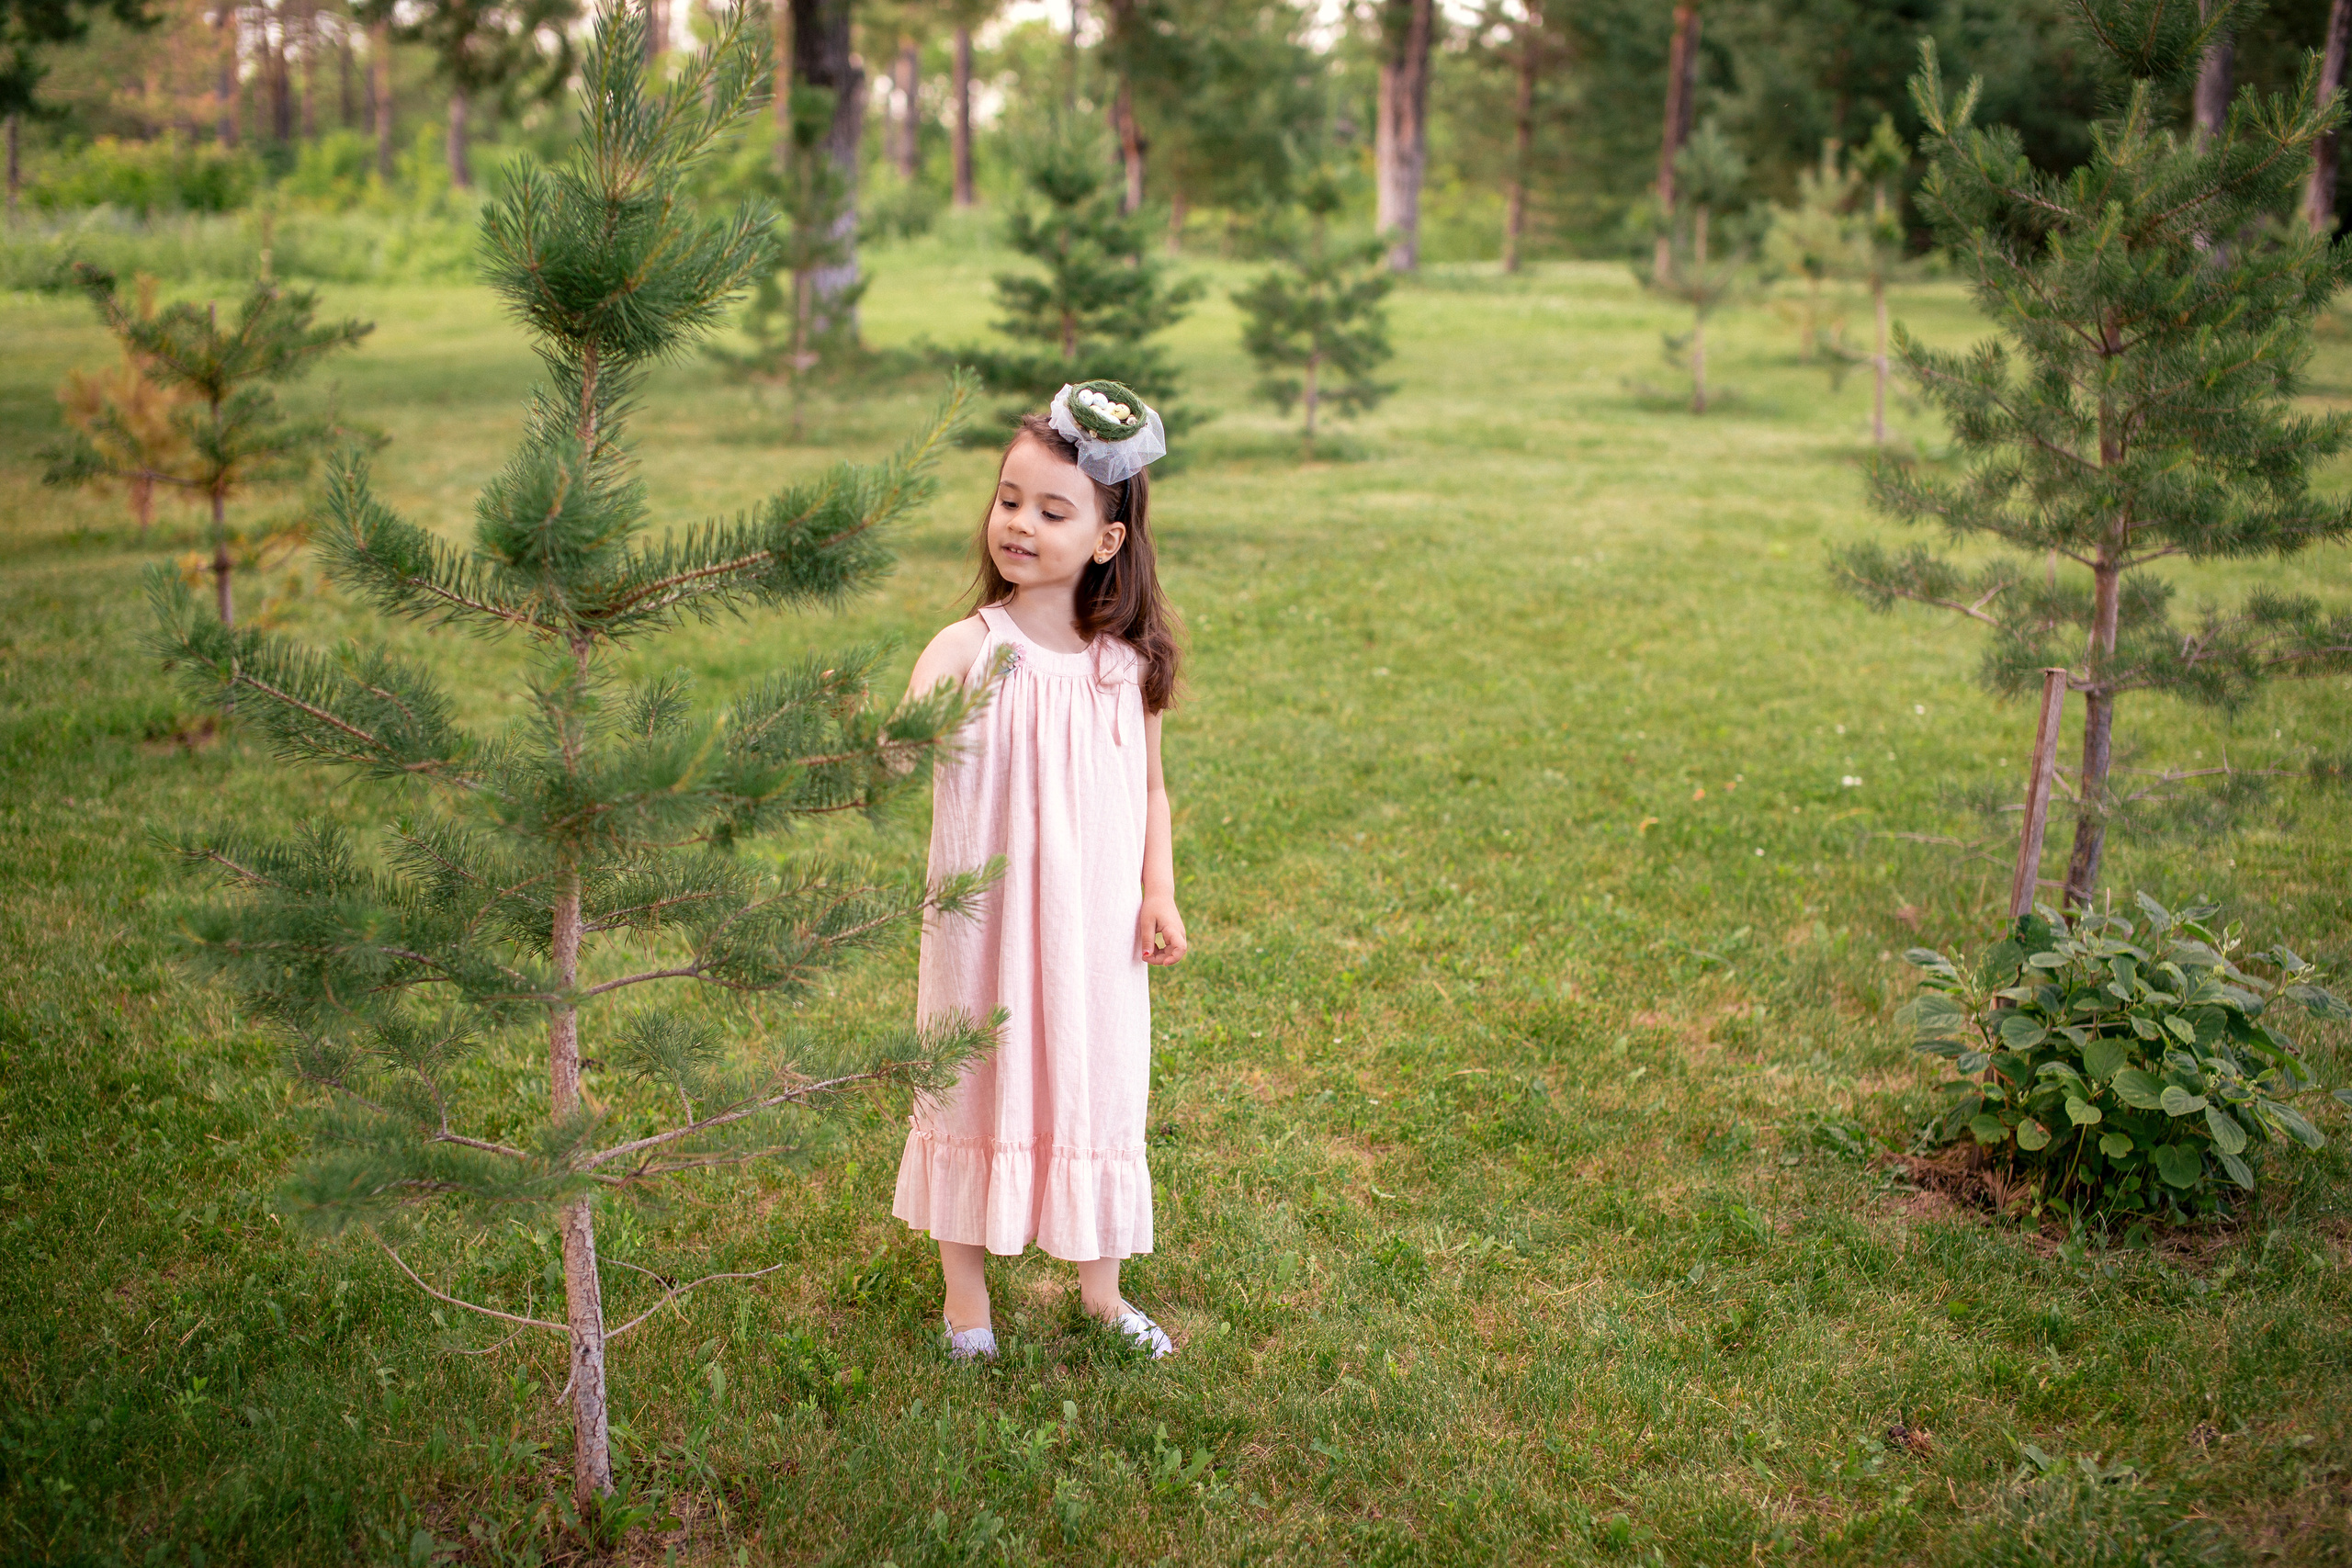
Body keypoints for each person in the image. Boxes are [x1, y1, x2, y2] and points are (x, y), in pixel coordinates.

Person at [890, 381, 1190, 1361]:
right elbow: (896, 753)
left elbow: (1150, 790)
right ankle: (963, 1302)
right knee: (972, 1080)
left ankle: (1099, 1292)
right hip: (986, 930)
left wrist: (1158, 890)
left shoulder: (1123, 666)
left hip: (1091, 933)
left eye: (1053, 511)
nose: (1020, 523)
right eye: (1009, 500)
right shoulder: (970, 650)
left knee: (1094, 1083)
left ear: (1104, 539)